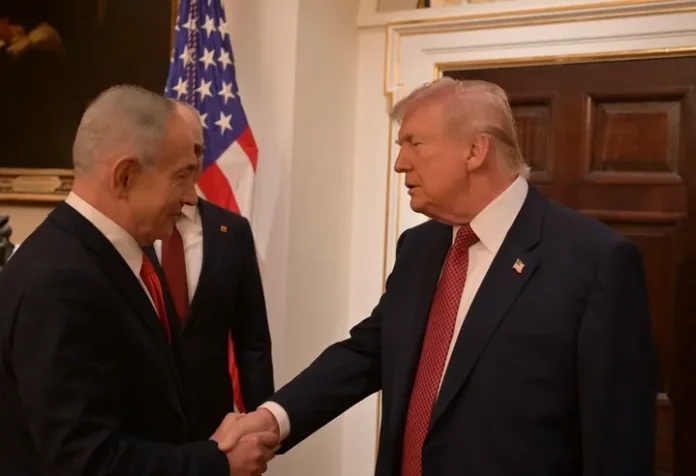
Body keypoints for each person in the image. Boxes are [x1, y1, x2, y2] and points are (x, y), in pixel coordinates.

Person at [216, 78, 658, 476]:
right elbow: (369, 352)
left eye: (415, 143)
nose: (400, 163)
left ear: (475, 151)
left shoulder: (593, 260)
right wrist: (273, 418)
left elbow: (618, 437)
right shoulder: (420, 247)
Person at [0, 85, 277, 475]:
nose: (190, 197)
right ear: (125, 176)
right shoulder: (62, 282)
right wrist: (217, 462)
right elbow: (86, 461)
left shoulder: (102, 257)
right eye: (182, 176)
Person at [142, 102, 274, 440]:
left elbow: (252, 341)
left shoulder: (232, 231)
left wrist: (260, 421)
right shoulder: (131, 228)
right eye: (183, 150)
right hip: (140, 422)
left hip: (212, 423)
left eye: (199, 150)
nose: (193, 160)